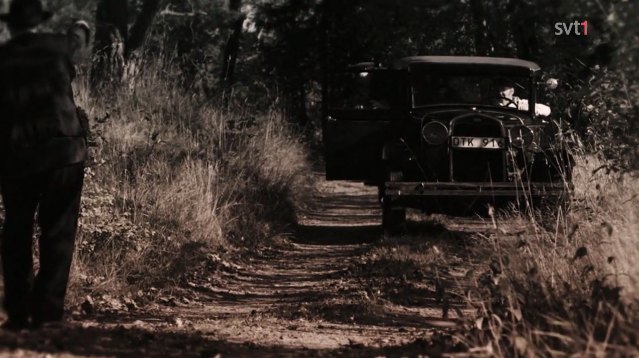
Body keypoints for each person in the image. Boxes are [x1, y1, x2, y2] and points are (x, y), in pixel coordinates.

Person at [0, 0, 90, 330]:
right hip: (64, 151)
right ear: (39, 22)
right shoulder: (59, 45)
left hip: (18, 154)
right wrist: (81, 24)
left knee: (17, 231)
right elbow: (80, 36)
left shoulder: (3, 57)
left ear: (9, 26)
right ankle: (48, 312)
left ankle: (19, 313)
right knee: (58, 231)